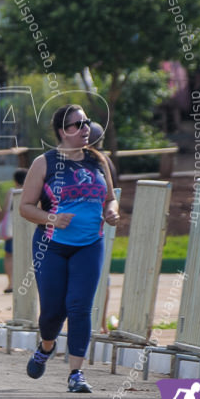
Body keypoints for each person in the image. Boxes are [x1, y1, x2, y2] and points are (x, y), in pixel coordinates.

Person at [19, 104, 119, 393]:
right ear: (63, 131)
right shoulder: (44, 163)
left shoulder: (99, 161)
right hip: (51, 245)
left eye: (86, 122)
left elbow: (109, 198)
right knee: (52, 311)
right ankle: (46, 346)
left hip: (89, 245)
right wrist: (52, 218)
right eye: (78, 124)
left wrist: (112, 212)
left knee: (79, 307)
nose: (85, 128)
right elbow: (25, 207)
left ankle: (76, 374)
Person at [87, 121, 118, 333]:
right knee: (100, 272)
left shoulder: (99, 162)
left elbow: (111, 195)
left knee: (100, 272)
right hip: (99, 222)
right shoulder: (106, 160)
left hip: (98, 223)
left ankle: (98, 321)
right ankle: (100, 321)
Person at [0, 168, 28, 294]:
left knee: (9, 255)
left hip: (12, 228)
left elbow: (5, 211)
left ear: (15, 180)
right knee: (27, 255)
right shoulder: (32, 190)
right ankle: (25, 283)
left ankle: (11, 283)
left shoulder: (12, 192)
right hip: (26, 227)